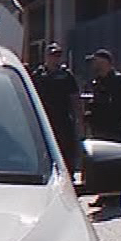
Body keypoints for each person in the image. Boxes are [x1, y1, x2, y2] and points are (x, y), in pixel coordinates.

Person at [87, 49, 121, 212]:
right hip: (100, 127)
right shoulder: (98, 81)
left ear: (106, 63)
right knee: (101, 162)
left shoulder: (118, 80)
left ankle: (115, 198)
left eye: (98, 62)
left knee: (115, 162)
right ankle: (103, 194)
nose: (95, 65)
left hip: (114, 126)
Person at [31, 42, 83, 173]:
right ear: (46, 56)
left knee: (66, 148)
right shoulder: (38, 75)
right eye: (53, 55)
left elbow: (75, 97)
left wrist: (79, 118)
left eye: (58, 55)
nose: (55, 58)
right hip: (45, 118)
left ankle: (67, 173)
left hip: (63, 118)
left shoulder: (66, 75)